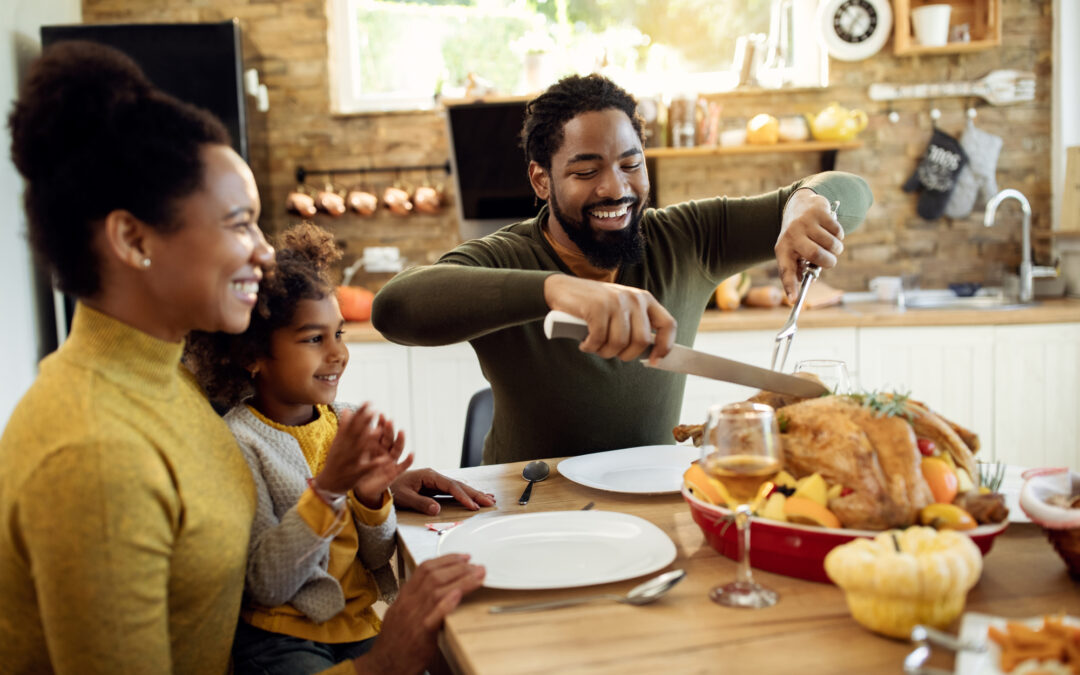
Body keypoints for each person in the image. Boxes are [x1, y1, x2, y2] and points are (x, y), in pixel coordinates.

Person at [0, 41, 483, 675]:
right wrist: (379, 667)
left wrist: (377, 484)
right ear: (132, 238)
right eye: (239, 223)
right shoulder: (95, 454)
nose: (263, 252)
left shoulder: (168, 377)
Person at [373, 74, 873, 465]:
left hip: (655, 502)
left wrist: (806, 201)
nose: (616, 188)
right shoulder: (507, 257)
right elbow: (395, 308)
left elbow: (853, 191)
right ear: (541, 180)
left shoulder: (689, 237)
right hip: (528, 505)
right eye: (586, 171)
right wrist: (558, 291)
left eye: (631, 164)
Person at [183, 223, 444, 674]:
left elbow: (377, 558)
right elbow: (268, 583)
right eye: (313, 339)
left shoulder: (342, 421)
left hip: (355, 624)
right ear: (252, 354)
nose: (338, 353)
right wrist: (328, 490)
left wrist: (369, 498)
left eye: (339, 334)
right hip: (279, 635)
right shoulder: (239, 443)